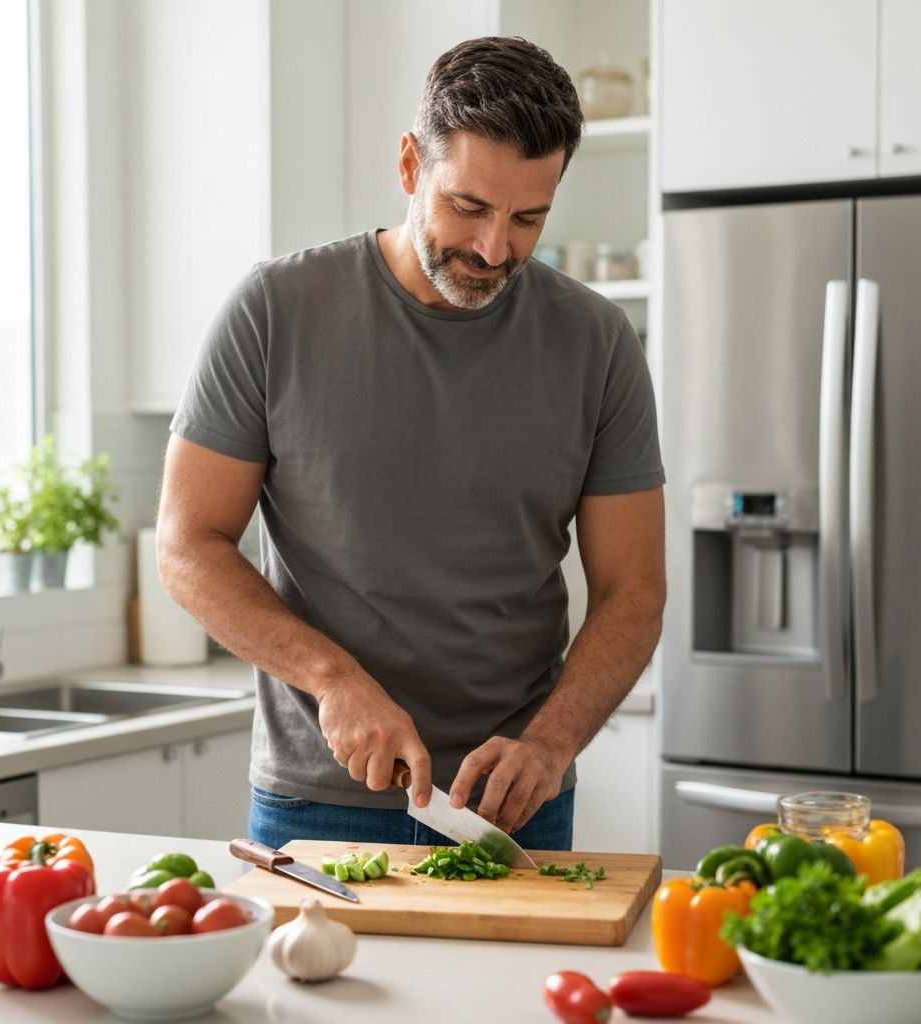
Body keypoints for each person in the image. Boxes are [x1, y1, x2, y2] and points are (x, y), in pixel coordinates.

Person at [157, 36, 665, 853]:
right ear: (408, 165)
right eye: (468, 206)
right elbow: (187, 545)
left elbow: (634, 591)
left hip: (515, 805)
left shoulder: (597, 343)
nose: (495, 249)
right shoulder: (273, 312)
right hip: (321, 797)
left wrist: (551, 743)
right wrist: (331, 680)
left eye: (527, 217)